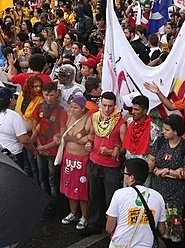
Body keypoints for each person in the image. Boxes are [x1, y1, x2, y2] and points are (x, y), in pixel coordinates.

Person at [80, 91, 126, 236]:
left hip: (111, 166)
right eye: (104, 105)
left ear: (115, 105)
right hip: (94, 161)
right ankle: (94, 224)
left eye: (110, 106)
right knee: (94, 195)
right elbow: (92, 136)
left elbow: (125, 146)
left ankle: (113, 229)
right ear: (100, 103)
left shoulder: (121, 122)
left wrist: (114, 150)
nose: (107, 109)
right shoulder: (95, 117)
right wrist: (88, 143)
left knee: (111, 198)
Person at [147, 113, 185, 247]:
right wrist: (161, 171)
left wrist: (168, 171)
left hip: (176, 197)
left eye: (167, 130)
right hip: (159, 193)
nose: (163, 132)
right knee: (157, 226)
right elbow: (151, 163)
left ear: (176, 131)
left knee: (175, 230)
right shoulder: (160, 141)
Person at [106, 158, 167, 248]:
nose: (124, 176)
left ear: (131, 178)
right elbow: (162, 230)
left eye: (125, 173)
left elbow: (109, 228)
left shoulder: (119, 194)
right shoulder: (158, 196)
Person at [31, 82, 66, 220]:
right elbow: (35, 128)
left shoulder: (61, 111)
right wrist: (39, 145)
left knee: (52, 179)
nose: (49, 98)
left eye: (51, 95)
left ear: (56, 94)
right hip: (41, 149)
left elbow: (62, 135)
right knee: (42, 178)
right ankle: (45, 203)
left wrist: (44, 148)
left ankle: (54, 206)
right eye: (46, 95)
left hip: (53, 151)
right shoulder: (39, 107)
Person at [59, 94, 92, 229]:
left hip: (81, 160)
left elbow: (94, 135)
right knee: (69, 188)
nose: (73, 110)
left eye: (76, 107)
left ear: (83, 108)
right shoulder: (69, 115)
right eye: (71, 107)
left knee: (82, 191)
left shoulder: (89, 120)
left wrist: (88, 139)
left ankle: (84, 216)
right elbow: (62, 132)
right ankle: (73, 213)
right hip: (68, 159)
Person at [0, 87, 33, 168]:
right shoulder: (14, 116)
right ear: (10, 99)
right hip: (13, 156)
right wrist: (34, 151)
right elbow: (24, 140)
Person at [123, 95, 161, 160]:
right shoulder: (129, 122)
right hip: (128, 163)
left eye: (136, 110)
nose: (133, 112)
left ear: (144, 111)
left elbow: (155, 152)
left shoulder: (154, 129)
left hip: (143, 165)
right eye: (132, 109)